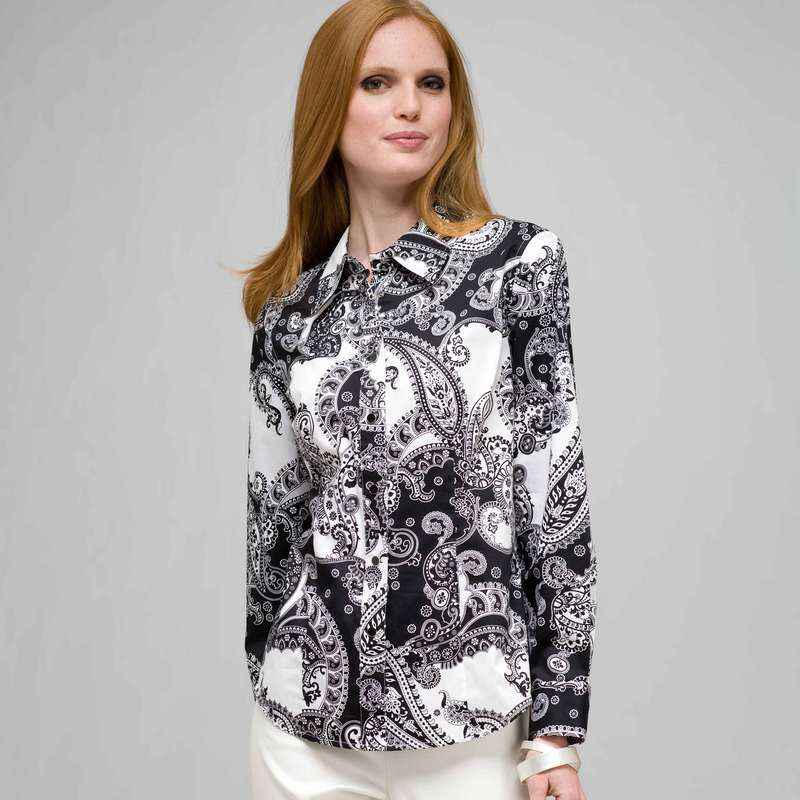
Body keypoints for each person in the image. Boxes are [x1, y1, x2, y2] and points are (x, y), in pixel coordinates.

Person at [238, 2, 597, 798]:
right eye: (378, 83)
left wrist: (556, 735)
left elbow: (554, 497)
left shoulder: (517, 266)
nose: (410, 106)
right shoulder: (290, 315)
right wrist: (268, 665)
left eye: (431, 84)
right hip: (304, 726)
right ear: (329, 107)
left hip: (470, 720)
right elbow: (273, 525)